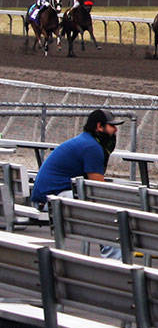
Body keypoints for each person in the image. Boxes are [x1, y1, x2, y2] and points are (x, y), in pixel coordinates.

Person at [31, 109, 124, 259]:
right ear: (99, 126)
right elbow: (98, 189)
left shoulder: (86, 140)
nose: (115, 130)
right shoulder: (92, 147)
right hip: (52, 200)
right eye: (112, 126)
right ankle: (115, 266)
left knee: (106, 214)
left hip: (49, 198)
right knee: (111, 225)